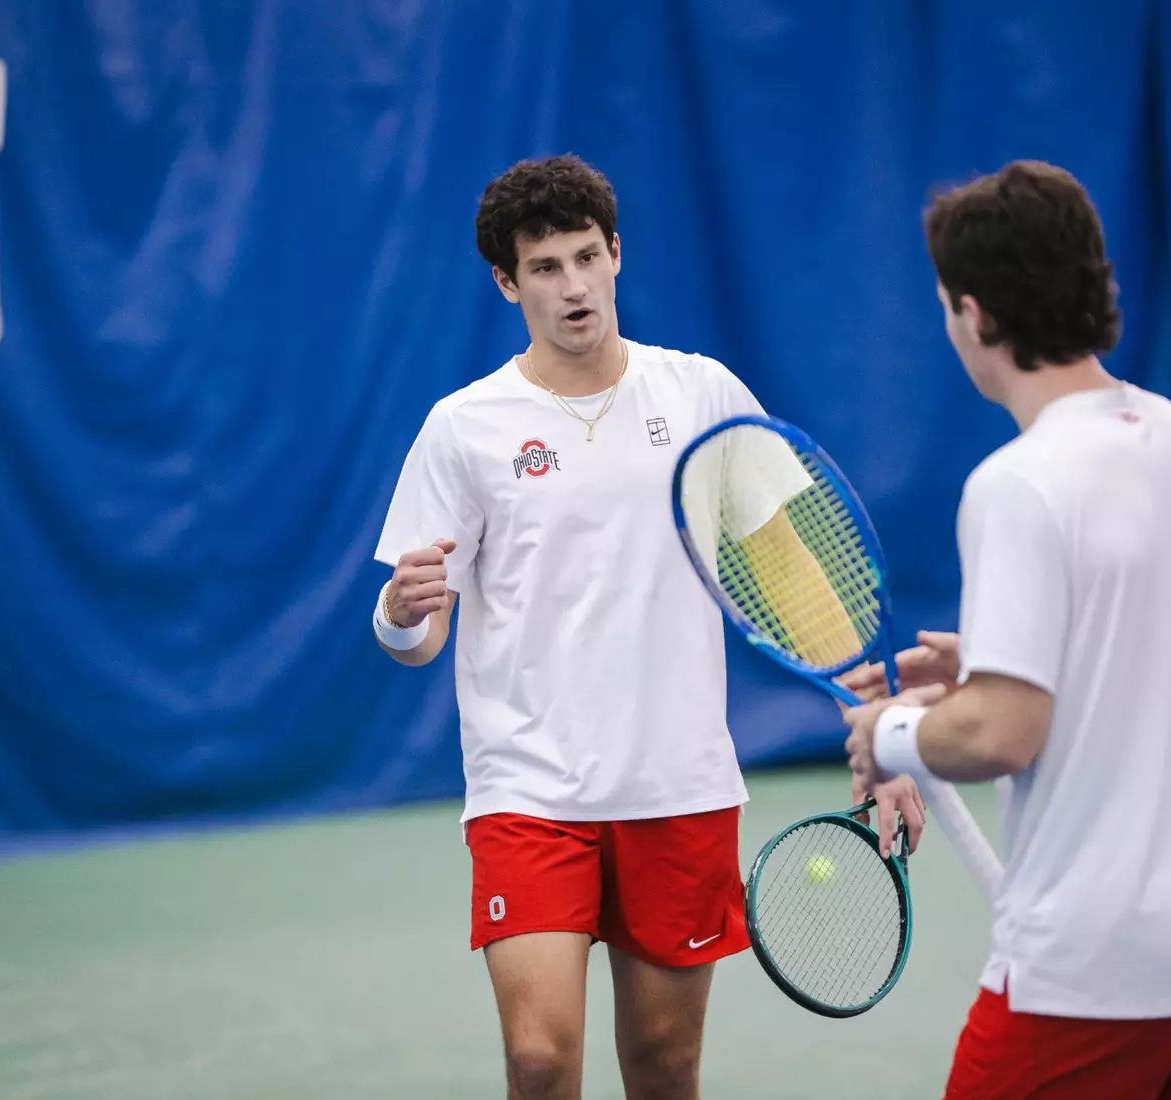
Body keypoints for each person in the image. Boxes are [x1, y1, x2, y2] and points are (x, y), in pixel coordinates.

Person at [369, 154, 923, 1100]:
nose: (574, 286)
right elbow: (418, 635)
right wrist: (396, 614)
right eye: (544, 268)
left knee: (665, 1068)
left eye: (587, 256)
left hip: (677, 782)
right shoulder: (465, 429)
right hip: (529, 787)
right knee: (540, 1060)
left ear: (617, 253)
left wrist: (882, 739)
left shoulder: (700, 395)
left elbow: (796, 583)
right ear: (507, 282)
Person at [838, 161, 1171, 1099]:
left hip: (1093, 968)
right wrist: (984, 662)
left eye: (945, 308)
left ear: (977, 316)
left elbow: (1002, 734)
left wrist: (889, 733)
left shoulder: (1016, 484)